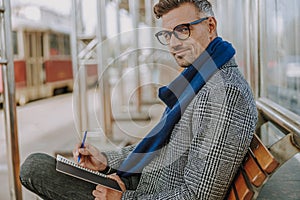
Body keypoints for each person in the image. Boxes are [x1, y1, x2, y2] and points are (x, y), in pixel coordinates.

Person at [19, 0, 258, 199]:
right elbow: (160, 149)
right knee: (40, 164)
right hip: (143, 183)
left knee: (35, 168)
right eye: (167, 34)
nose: (174, 43)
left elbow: (199, 195)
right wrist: (105, 162)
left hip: (144, 193)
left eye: (183, 29)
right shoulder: (203, 79)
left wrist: (124, 198)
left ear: (211, 26)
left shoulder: (225, 93)